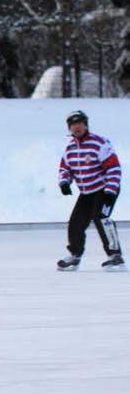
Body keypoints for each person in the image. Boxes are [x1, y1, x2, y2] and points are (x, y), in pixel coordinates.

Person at [56, 110, 123, 272]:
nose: (77, 127)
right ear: (69, 128)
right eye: (73, 124)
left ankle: (115, 256)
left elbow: (114, 168)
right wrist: (64, 182)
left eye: (80, 123)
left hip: (104, 189)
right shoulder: (70, 148)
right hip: (87, 192)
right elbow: (65, 168)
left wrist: (110, 190)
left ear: (86, 125)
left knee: (101, 217)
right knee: (75, 223)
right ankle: (75, 256)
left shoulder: (99, 143)